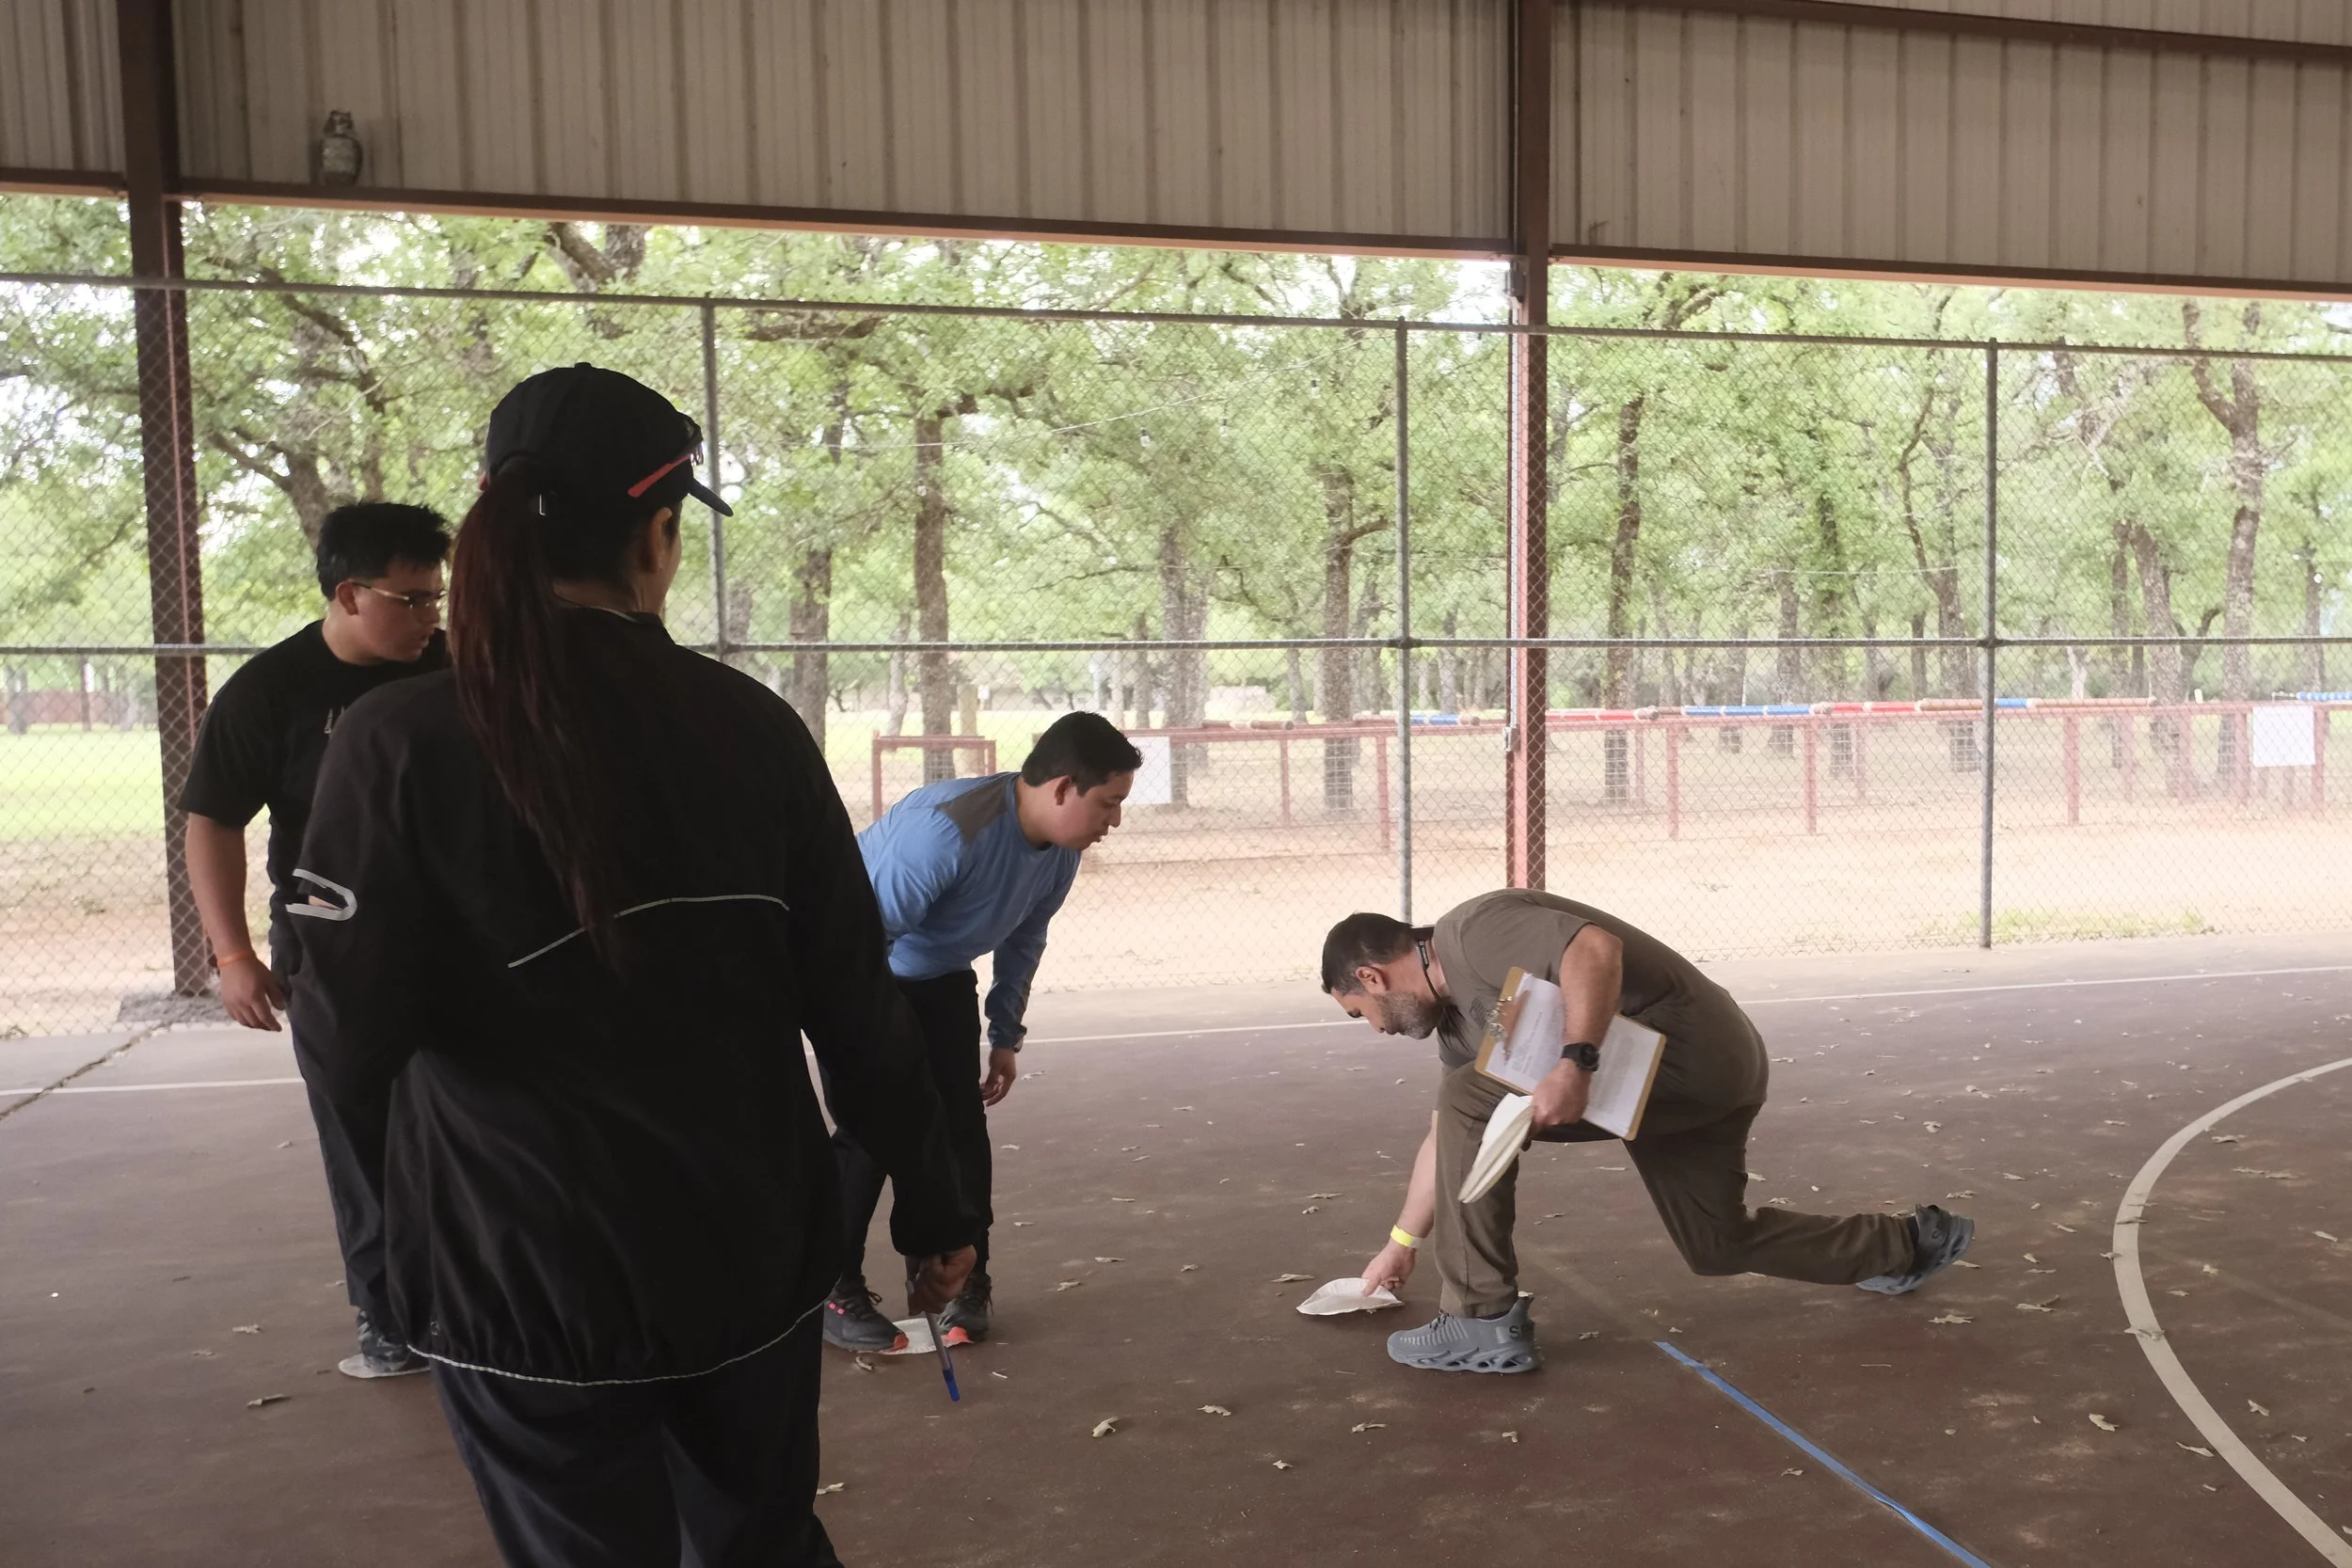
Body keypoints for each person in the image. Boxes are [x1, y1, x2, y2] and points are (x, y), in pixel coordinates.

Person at [288, 363, 976, 1567]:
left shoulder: (396, 741)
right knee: (760, 1536)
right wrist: (934, 1205)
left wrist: (389, 1262)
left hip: (517, 1264)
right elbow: (858, 1005)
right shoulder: (750, 726)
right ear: (658, 535)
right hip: (745, 1249)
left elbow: (345, 1038)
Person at [1323, 891, 1973, 1374]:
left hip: (1689, 1050)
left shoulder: (1470, 932)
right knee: (1715, 1243)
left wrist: (1575, 1062)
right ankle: (1902, 1246)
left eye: (1360, 1013)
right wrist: (1400, 1244)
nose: (1377, 1028)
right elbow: (1448, 1138)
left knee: (1470, 1096)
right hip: (1671, 1089)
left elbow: (1594, 949)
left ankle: (1479, 1319)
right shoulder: (1459, 1031)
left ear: (1372, 978)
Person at [179, 500, 451, 1379]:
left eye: (437, 597)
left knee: (471, 1117)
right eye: (410, 599)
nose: (430, 616)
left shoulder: (460, 669)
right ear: (348, 593)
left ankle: (476, 1300)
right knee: (360, 1130)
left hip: (460, 935)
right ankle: (389, 1316)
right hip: (334, 945)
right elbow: (212, 821)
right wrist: (232, 956)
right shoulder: (270, 690)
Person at [822, 712, 1140, 1353]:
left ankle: (964, 1276)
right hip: (857, 969)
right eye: (1108, 803)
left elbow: (1025, 937)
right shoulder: (947, 830)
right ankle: (832, 1287)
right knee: (875, 1126)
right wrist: (877, 1047)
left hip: (939, 975)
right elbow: (857, 942)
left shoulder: (1060, 852)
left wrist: (1005, 1035)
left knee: (961, 1128)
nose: (1115, 821)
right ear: (1062, 788)